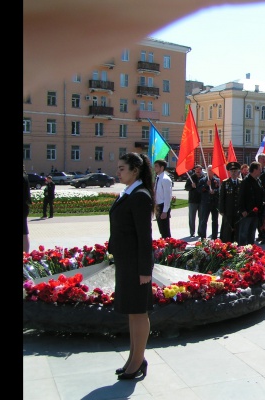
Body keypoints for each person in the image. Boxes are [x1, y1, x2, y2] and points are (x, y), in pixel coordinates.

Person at [108, 152, 155, 380]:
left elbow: (145, 237)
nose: (118, 172)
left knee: (138, 312)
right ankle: (134, 358)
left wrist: (145, 270)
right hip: (126, 262)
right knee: (132, 312)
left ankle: (137, 361)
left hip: (136, 265)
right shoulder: (129, 193)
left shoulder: (140, 196)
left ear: (135, 171)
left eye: (122, 168)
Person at [237, 161, 265, 245]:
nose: (261, 171)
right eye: (259, 169)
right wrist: (242, 210)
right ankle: (242, 250)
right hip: (247, 212)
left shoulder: (258, 180)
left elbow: (261, 194)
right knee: (243, 233)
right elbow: (240, 197)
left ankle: (250, 249)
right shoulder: (245, 181)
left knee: (252, 233)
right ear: (255, 170)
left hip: (256, 212)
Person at [219, 162, 242, 243]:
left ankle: (237, 244)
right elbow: (222, 197)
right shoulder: (225, 183)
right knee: (227, 229)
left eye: (235, 171)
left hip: (238, 211)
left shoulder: (241, 182)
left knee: (237, 228)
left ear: (238, 172)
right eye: (232, 171)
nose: (233, 173)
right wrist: (221, 210)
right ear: (229, 172)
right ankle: (227, 244)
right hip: (228, 210)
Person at [197, 165, 221, 239]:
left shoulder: (217, 180)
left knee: (215, 221)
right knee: (204, 220)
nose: (210, 172)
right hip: (205, 203)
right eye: (209, 170)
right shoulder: (202, 180)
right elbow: (199, 190)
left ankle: (214, 237)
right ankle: (203, 237)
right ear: (207, 171)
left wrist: (215, 191)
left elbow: (219, 190)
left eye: (212, 170)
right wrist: (206, 185)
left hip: (215, 203)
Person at [153, 159, 173, 238]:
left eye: (156, 166)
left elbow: (167, 196)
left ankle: (168, 244)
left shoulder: (165, 179)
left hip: (162, 206)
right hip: (158, 206)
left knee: (165, 230)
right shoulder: (158, 178)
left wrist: (165, 211)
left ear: (162, 168)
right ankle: (164, 242)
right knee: (161, 229)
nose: (154, 168)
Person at [184, 165, 204, 237]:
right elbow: (186, 188)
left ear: (201, 170)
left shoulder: (204, 178)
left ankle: (200, 232)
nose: (198, 171)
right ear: (194, 170)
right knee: (192, 218)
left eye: (199, 169)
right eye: (196, 169)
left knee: (201, 217)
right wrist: (191, 186)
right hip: (192, 201)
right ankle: (192, 233)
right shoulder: (191, 178)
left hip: (201, 200)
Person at [23, 165, 32, 254]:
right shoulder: (25, 176)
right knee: (24, 232)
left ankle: (25, 255)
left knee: (24, 233)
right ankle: (25, 255)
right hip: (24, 206)